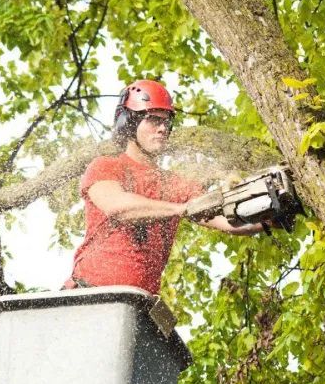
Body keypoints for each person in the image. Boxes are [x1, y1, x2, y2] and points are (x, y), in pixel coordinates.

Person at [64, 80, 270, 293]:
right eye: (153, 120)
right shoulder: (107, 166)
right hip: (88, 295)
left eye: (167, 122)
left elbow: (227, 220)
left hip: (140, 303)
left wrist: (266, 217)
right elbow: (117, 206)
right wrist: (180, 209)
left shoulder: (175, 184)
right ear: (129, 123)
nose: (163, 128)